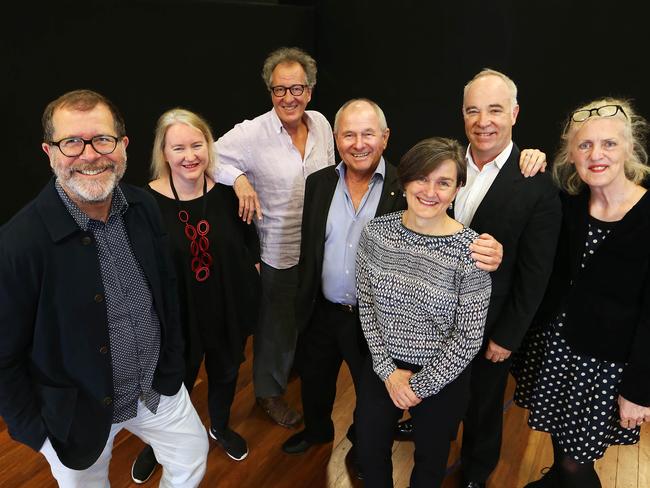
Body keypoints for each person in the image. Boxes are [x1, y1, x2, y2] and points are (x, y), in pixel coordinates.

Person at [0, 90, 208, 487]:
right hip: (76, 414)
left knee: (192, 457)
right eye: (72, 142)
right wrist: (37, 434)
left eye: (102, 139)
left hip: (155, 389)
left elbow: (166, 292)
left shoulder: (143, 207)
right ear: (49, 152)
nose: (90, 154)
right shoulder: (17, 245)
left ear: (123, 146)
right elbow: (3, 356)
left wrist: (173, 364)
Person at [282, 100, 503, 467]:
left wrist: (491, 250)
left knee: (372, 405)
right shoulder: (318, 182)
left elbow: (443, 230)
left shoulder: (411, 182)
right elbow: (311, 244)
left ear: (385, 138)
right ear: (337, 139)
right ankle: (318, 431)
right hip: (323, 308)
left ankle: (361, 443)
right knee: (316, 380)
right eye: (349, 134)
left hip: (378, 321)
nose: (358, 143)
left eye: (368, 133)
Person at [512, 98, 650, 488]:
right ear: (571, 154)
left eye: (608, 144)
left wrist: (640, 389)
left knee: (578, 464)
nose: (596, 155)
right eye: (585, 145)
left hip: (605, 365)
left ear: (629, 149)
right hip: (558, 347)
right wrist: (530, 159)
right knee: (561, 444)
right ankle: (555, 478)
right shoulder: (568, 203)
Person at [129, 109, 261, 483]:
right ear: (164, 153)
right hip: (175, 317)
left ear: (209, 146)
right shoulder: (143, 203)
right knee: (173, 384)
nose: (189, 155)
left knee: (225, 372)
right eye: (178, 147)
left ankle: (219, 426)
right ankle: (159, 444)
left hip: (224, 310)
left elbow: (249, 244)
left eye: (197, 144)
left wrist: (252, 278)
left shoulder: (229, 193)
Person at [355, 137, 492, 487]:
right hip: (383, 366)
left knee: (430, 466)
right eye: (422, 178)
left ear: (458, 188)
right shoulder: (376, 233)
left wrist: (419, 384)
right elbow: (367, 305)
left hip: (442, 377)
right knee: (369, 454)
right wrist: (388, 372)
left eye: (443, 182)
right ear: (406, 180)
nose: (430, 191)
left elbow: (468, 338)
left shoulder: (472, 252)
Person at [214, 46, 335, 427]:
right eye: (279, 90)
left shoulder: (321, 125)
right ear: (270, 93)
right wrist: (239, 179)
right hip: (276, 251)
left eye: (296, 89)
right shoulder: (253, 133)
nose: (288, 98)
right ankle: (268, 392)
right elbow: (210, 157)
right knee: (275, 326)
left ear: (310, 91)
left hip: (318, 247)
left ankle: (290, 368)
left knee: (305, 315)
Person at [454, 69, 562, 488]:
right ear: (463, 116)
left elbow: (536, 273)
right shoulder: (443, 163)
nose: (484, 121)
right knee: (437, 389)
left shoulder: (536, 182)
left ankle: (476, 471)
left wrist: (508, 336)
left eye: (495, 110)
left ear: (514, 114)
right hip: (432, 315)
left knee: (482, 404)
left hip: (490, 324)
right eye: (473, 111)